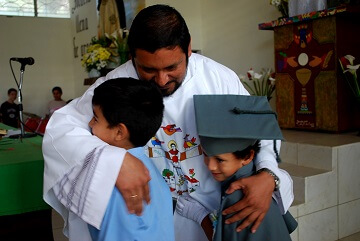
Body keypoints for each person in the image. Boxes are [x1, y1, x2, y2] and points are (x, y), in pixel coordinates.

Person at [43, 4, 294, 241]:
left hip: (210, 208)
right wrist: (113, 159)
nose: (162, 80)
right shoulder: (116, 86)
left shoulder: (218, 78)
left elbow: (259, 130)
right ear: (132, 58)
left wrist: (267, 173)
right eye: (148, 70)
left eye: (172, 67)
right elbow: (61, 129)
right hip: (146, 212)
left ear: (188, 49)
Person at [176, 95, 297, 241]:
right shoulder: (248, 178)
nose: (210, 166)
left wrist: (201, 217)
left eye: (220, 160)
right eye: (206, 155)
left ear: (247, 157)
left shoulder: (240, 197)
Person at [86, 77, 174, 240]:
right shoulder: (149, 167)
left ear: (119, 132)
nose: (90, 124)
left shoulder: (118, 181)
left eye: (96, 118)